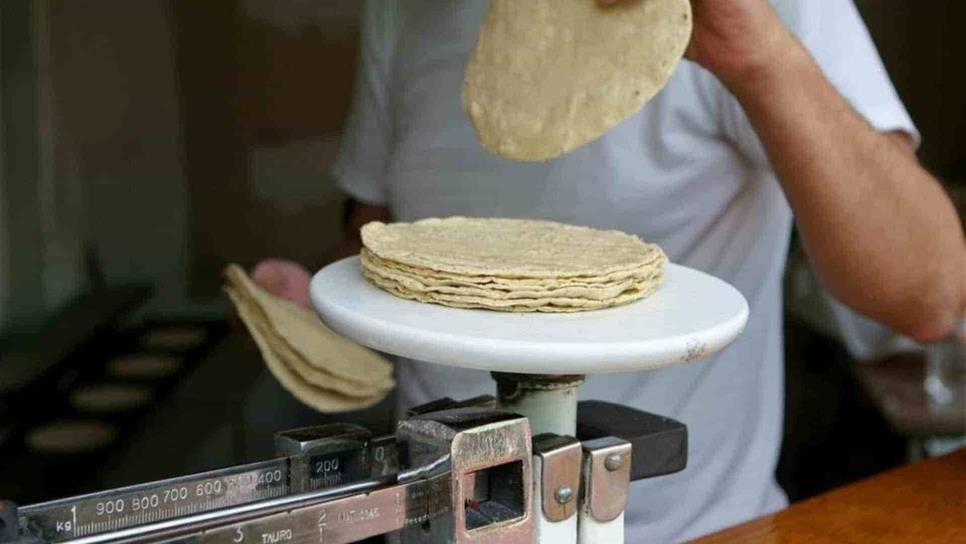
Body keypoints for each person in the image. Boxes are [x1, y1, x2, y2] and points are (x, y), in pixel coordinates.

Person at [252, 0, 965, 540]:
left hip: (693, 529)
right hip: (435, 522)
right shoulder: (407, 11)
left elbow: (926, 294)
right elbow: (390, 255)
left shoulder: (770, 10)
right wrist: (313, 309)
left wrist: (758, 54)